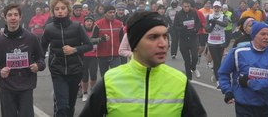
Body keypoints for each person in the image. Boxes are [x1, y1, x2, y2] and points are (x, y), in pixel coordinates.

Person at [79, 10, 207, 117]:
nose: (163, 44)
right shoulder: (109, 82)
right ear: (134, 44)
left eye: (165, 36)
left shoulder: (180, 82)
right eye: (153, 37)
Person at [0, 3, 46, 117]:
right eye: (10, 15)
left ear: (20, 17)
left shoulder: (32, 38)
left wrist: (38, 66)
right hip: (7, 88)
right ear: (4, 17)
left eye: (15, 15)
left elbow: (41, 59)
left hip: (26, 86)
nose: (13, 18)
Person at [41, 0, 93, 117]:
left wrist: (74, 49)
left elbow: (89, 45)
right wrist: (39, 61)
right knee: (62, 105)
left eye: (63, 8)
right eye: (57, 9)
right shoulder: (49, 28)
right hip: (57, 71)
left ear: (68, 10)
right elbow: (42, 46)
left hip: (75, 71)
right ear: (53, 11)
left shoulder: (77, 27)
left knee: (70, 106)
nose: (60, 11)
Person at [218, 21, 268, 117]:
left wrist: (249, 83)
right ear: (254, 35)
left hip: (265, 106)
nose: (266, 37)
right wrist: (227, 90)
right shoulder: (238, 52)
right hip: (244, 106)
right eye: (263, 34)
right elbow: (223, 73)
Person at [81, 14, 108, 102]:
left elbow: (100, 40)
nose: (89, 23)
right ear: (84, 22)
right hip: (83, 56)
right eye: (87, 21)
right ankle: (85, 93)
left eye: (90, 21)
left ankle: (92, 92)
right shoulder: (81, 31)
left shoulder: (95, 31)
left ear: (93, 23)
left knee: (93, 75)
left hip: (94, 56)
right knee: (84, 77)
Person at [92, 4, 123, 77]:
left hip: (116, 55)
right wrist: (101, 39)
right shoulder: (98, 24)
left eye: (113, 12)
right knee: (104, 77)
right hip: (102, 55)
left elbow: (122, 39)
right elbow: (91, 40)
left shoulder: (119, 24)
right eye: (110, 12)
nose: (112, 14)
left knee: (116, 76)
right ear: (105, 13)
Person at [205, 1, 229, 88]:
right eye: (215, 7)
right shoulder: (209, 16)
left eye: (218, 8)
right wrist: (212, 25)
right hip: (212, 42)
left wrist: (216, 22)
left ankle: (216, 74)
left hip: (221, 42)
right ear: (213, 8)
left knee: (219, 60)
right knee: (216, 61)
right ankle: (218, 81)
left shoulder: (224, 16)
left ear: (220, 8)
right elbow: (207, 29)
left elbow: (225, 24)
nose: (216, 9)